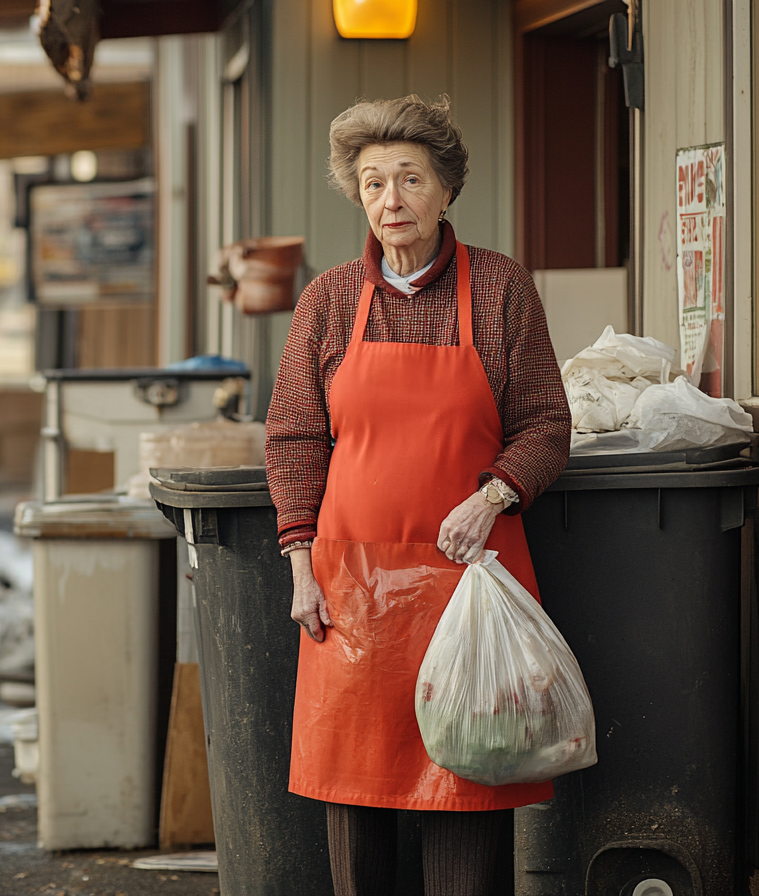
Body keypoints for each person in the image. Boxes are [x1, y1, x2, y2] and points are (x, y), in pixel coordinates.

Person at [264, 95, 571, 895]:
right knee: (356, 800)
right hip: (353, 590)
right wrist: (301, 565)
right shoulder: (329, 301)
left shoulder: (501, 289)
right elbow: (293, 436)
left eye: (409, 179)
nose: (390, 200)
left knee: (467, 785)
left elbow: (545, 422)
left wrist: (493, 496)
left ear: (445, 191)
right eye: (372, 184)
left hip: (472, 581)